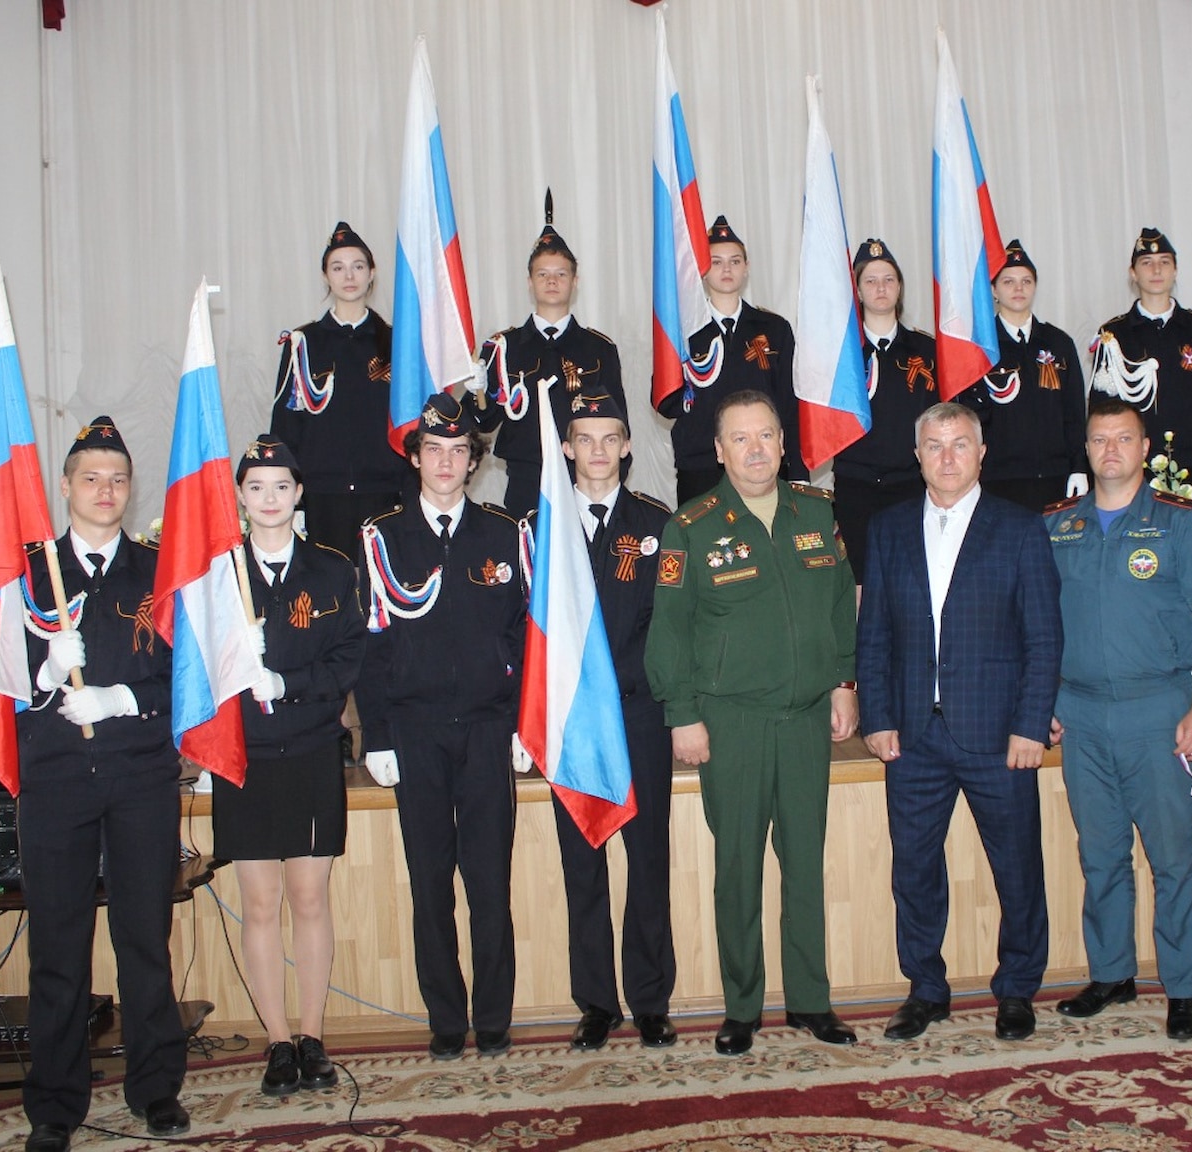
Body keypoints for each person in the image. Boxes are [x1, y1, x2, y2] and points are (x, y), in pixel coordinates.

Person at [645, 390, 857, 1056]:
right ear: (718, 450)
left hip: (806, 718)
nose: (756, 449)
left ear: (783, 442)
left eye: (765, 435)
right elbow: (669, 632)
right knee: (738, 867)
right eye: (740, 438)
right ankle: (742, 1007)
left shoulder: (817, 512)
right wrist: (682, 715)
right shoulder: (690, 527)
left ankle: (811, 1001)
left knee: (805, 863)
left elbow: (840, 606)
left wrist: (844, 682)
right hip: (730, 720)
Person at [856, 402, 1062, 1042]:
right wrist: (877, 716)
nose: (947, 458)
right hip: (913, 736)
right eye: (934, 445)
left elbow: (1044, 638)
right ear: (916, 455)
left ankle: (1018, 988)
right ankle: (925, 988)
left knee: (1017, 869)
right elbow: (873, 633)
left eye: (960, 444)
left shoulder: (1021, 529)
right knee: (914, 870)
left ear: (981, 453)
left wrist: (1032, 724)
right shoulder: (887, 529)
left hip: (1000, 737)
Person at [17, 416, 188, 1152]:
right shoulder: (27, 573)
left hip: (140, 775)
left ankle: (155, 1089)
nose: (105, 490)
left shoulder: (159, 572)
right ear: (65, 486)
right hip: (56, 780)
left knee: (144, 938)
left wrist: (123, 699)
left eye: (117, 479)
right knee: (58, 947)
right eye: (90, 478)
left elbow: (187, 679)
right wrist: (44, 672)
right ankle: (55, 1104)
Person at [1047, 394, 1192, 1041]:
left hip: (1159, 711)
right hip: (1080, 713)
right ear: (1086, 448)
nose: (1111, 450)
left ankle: (1183, 988)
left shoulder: (1179, 524)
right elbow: (1036, 624)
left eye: (1124, 438)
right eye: (1100, 439)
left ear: (1145, 449)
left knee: (1173, 858)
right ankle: (1112, 974)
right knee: (1100, 855)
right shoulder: (1058, 527)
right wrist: (1043, 703)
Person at [355, 393, 528, 1059]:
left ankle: (494, 1017)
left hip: (488, 730)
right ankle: (447, 1020)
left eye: (459, 451)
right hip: (416, 731)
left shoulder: (506, 534)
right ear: (415, 458)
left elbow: (525, 635)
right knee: (430, 886)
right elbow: (372, 642)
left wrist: (523, 724)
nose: (446, 462)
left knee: (490, 884)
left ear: (475, 461)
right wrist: (378, 734)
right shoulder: (382, 538)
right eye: (434, 450)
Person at [216, 435, 365, 1093]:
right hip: (246, 757)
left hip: (309, 750)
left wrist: (287, 682)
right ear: (240, 497)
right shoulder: (220, 576)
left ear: (299, 494)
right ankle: (277, 1042)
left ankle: (312, 1035)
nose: (269, 499)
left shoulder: (331, 571)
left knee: (309, 897)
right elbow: (194, 668)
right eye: (256, 488)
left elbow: (348, 659)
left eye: (281, 487)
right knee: (260, 902)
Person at [551, 388, 678, 1051]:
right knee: (584, 864)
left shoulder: (658, 523)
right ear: (566, 447)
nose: (598, 451)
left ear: (627, 446)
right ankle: (597, 1002)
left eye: (610, 439)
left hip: (638, 715)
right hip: (573, 724)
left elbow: (672, 625)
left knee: (648, 859)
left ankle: (651, 1000)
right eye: (585, 439)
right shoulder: (541, 526)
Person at [268, 221, 411, 561]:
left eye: (358, 266)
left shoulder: (397, 342)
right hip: (321, 495)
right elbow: (285, 428)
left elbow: (411, 426)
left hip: (385, 491)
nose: (349, 276)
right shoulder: (303, 345)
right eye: (338, 267)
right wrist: (292, 499)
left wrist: (409, 492)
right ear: (325, 276)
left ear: (372, 273)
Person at [477, 194, 626, 517]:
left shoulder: (599, 349)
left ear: (575, 281)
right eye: (543, 274)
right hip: (526, 479)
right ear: (530, 282)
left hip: (585, 480)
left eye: (561, 274)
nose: (552, 281)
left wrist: (612, 488)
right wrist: (480, 390)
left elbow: (618, 425)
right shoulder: (504, 348)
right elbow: (483, 422)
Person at [655, 216, 805, 504]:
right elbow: (665, 403)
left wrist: (798, 471)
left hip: (762, 463)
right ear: (702, 269)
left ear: (746, 268)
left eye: (735, 261)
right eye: (716, 262)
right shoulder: (683, 331)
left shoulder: (774, 329)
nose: (727, 269)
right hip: (701, 465)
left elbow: (790, 404)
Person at [1088, 227, 1192, 505]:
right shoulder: (1114, 334)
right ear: (1133, 273)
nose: (1156, 270)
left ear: (1175, 270)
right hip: (1134, 474)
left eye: (1164, 262)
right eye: (1146, 263)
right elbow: (1101, 413)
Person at [831, 238, 939, 586]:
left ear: (900, 287)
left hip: (911, 485)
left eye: (889, 279)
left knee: (911, 581)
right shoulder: (840, 352)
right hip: (856, 486)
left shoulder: (927, 350)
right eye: (871, 280)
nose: (881, 288)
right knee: (860, 584)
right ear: (858, 291)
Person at [957, 239, 1087, 513]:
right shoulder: (980, 347)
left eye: (1026, 281)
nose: (1019, 289)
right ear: (994, 290)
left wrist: (1079, 467)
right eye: (1009, 282)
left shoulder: (1058, 343)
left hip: (1056, 476)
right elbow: (970, 419)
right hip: (999, 479)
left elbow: (1074, 413)